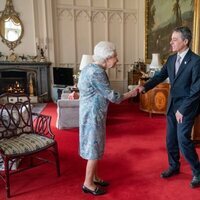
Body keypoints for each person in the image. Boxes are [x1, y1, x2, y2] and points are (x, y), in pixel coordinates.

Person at [136, 26, 200, 188]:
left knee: (183, 140)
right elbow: (160, 76)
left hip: (186, 107)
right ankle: (174, 166)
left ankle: (197, 172)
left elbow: (196, 89)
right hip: (172, 106)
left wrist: (183, 109)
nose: (171, 42)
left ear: (185, 41)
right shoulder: (171, 59)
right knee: (170, 139)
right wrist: (145, 87)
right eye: (171, 39)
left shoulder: (196, 61)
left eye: (175, 39)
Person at [78, 41, 137, 195]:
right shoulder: (97, 72)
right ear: (106, 58)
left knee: (95, 146)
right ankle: (88, 183)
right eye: (115, 56)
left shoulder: (89, 68)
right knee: (94, 148)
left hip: (89, 112)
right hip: (93, 115)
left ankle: (95, 177)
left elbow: (85, 90)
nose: (117, 60)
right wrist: (131, 93)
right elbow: (113, 97)